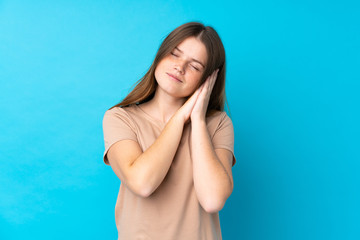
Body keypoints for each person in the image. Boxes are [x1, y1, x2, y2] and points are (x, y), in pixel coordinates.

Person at [102, 21, 236, 240]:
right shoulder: (120, 118)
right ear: (161, 55)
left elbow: (213, 199)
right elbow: (143, 183)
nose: (179, 67)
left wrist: (198, 121)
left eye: (195, 66)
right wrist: (181, 117)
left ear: (208, 79)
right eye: (175, 54)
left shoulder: (218, 124)